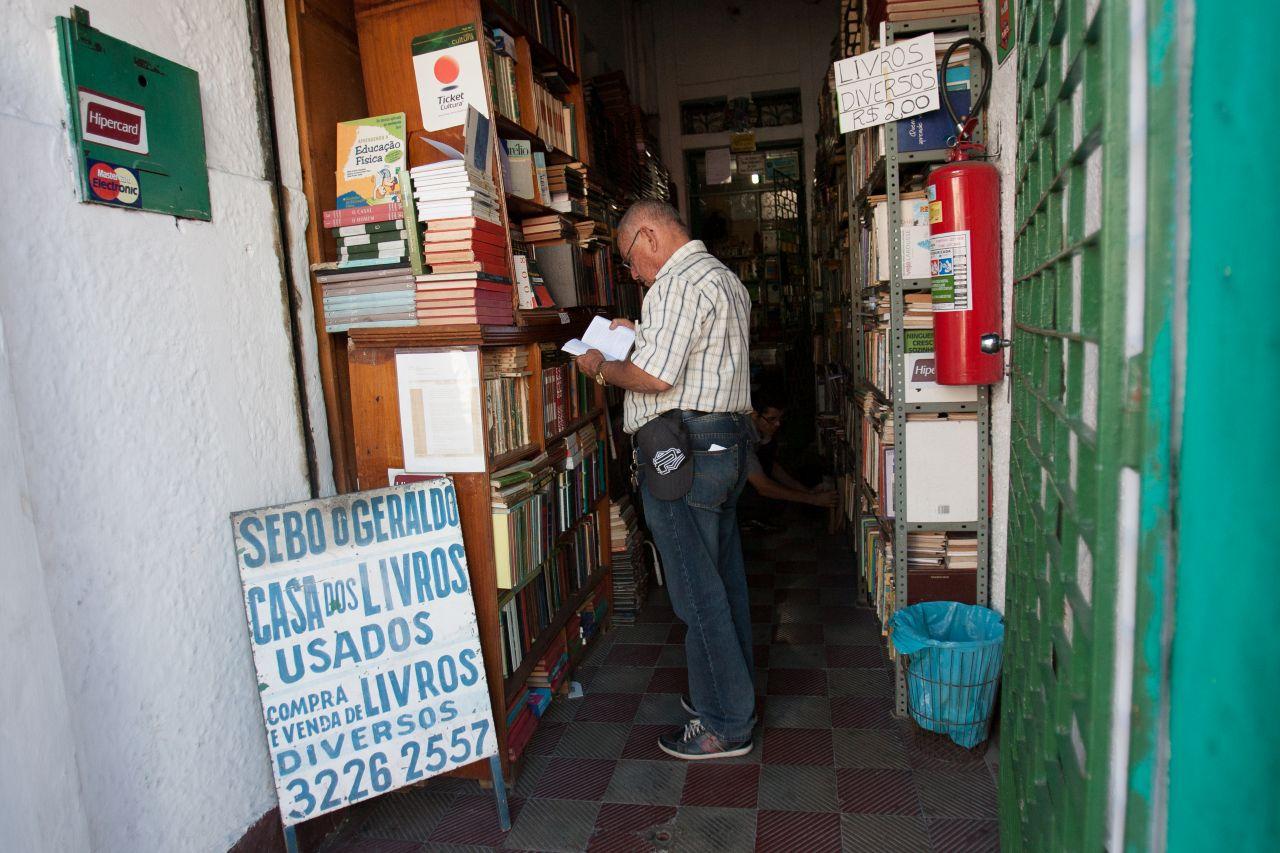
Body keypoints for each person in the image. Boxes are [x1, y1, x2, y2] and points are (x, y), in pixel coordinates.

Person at [573, 199, 755, 760]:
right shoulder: (723, 280)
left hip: (684, 452)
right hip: (723, 445)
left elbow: (654, 375)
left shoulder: (674, 285)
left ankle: (725, 722)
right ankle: (726, 696)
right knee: (722, 582)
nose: (630, 272)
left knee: (695, 594)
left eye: (629, 259)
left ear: (649, 236)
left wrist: (600, 365)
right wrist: (640, 330)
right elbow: (694, 358)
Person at [740, 391, 837, 531]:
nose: (778, 424)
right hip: (731, 495)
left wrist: (808, 492)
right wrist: (814, 500)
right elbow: (763, 486)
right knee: (777, 498)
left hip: (746, 483)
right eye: (771, 419)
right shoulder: (743, 437)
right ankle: (746, 519)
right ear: (754, 415)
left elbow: (771, 467)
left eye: (780, 418)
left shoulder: (758, 431)